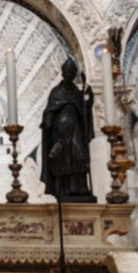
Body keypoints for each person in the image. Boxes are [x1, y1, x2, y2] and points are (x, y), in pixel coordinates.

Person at [40, 57, 96, 201]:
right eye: (67, 73)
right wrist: (47, 122)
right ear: (63, 73)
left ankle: (80, 188)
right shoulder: (56, 92)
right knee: (62, 159)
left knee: (79, 155)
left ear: (74, 75)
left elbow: (84, 112)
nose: (69, 75)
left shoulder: (77, 93)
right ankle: (63, 189)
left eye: (72, 73)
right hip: (60, 132)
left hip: (75, 130)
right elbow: (50, 110)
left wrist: (89, 102)